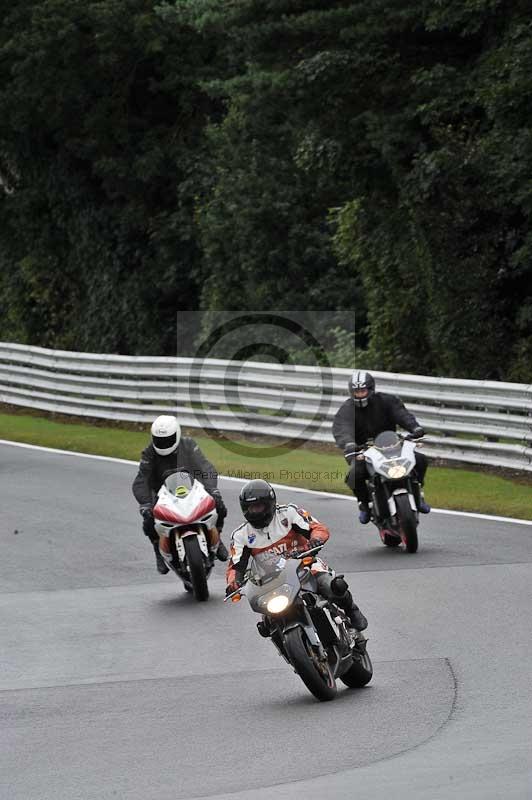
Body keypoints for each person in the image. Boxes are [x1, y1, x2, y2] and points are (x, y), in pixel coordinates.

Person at [225, 479, 368, 632]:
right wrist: (234, 583)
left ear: (269, 503)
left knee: (332, 585)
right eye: (251, 508)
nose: (255, 512)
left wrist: (315, 540)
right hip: (270, 581)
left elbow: (317, 528)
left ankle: (352, 610)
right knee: (266, 624)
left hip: (305, 566)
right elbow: (235, 566)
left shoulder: (288, 513)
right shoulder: (241, 535)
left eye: (258, 506)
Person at [132, 415, 229, 574]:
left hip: (192, 489)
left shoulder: (188, 445)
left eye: (167, 439)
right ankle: (158, 549)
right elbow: (141, 479)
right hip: (163, 495)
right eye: (159, 440)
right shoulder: (149, 453)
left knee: (219, 506)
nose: (163, 444)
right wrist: (145, 504)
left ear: (177, 434)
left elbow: (205, 467)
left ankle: (217, 537)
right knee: (148, 521)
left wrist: (213, 490)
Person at [332, 370, 430, 524]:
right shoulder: (347, 409)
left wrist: (415, 428)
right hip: (363, 451)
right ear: (351, 392)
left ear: (371, 389)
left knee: (420, 459)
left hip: (393, 445)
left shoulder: (386, 401)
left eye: (363, 390)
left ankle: (419, 493)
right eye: (356, 391)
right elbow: (342, 428)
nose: (360, 394)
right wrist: (349, 443)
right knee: (354, 474)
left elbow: (402, 414)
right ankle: (364, 505)